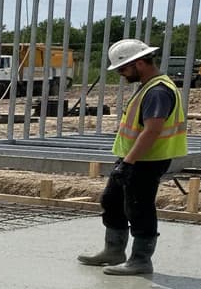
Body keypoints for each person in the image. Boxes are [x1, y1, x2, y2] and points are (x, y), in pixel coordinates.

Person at [77, 38, 187, 275]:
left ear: (139, 63)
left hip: (146, 160)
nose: (120, 74)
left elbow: (152, 130)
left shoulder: (158, 91)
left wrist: (129, 162)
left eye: (123, 69)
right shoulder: (148, 86)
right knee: (112, 201)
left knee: (139, 208)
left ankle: (141, 260)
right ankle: (114, 251)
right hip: (133, 158)